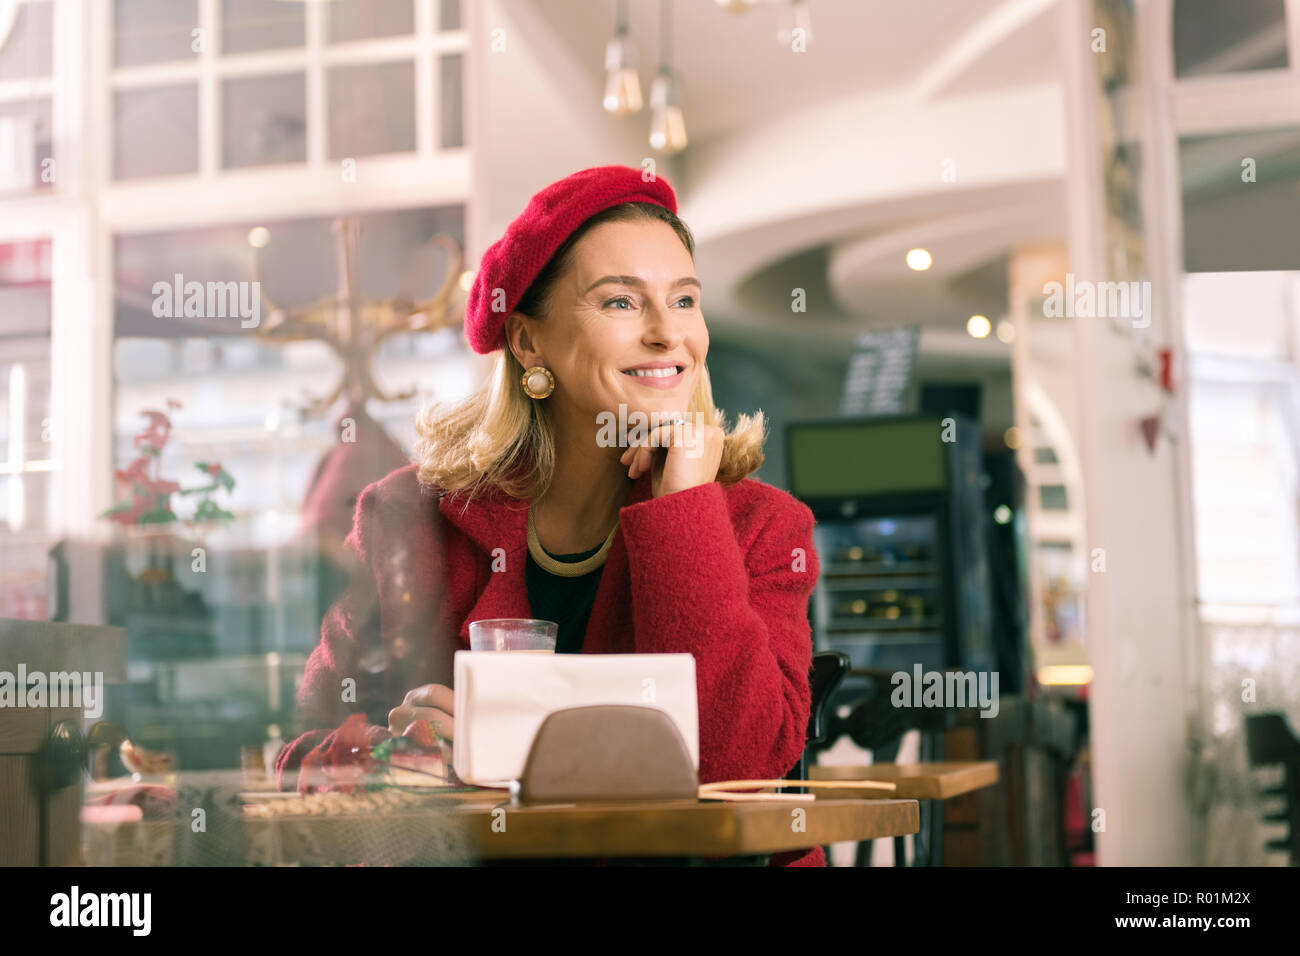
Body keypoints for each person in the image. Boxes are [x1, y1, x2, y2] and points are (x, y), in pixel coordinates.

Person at [278, 164, 824, 866]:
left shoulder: (763, 527)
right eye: (621, 304)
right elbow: (298, 752)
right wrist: (395, 750)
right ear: (529, 343)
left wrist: (685, 504)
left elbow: (733, 771)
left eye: (684, 300)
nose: (668, 333)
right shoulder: (402, 519)